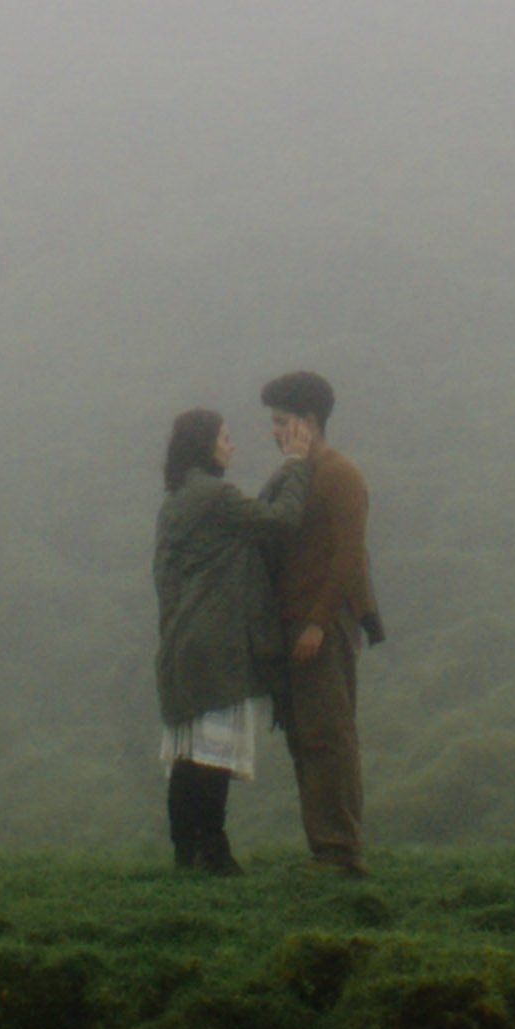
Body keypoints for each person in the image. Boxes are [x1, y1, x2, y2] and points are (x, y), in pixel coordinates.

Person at [151, 407, 309, 873]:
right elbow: (280, 519)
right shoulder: (214, 495)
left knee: (189, 752)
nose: (232, 444)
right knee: (212, 755)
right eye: (224, 437)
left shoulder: (177, 498)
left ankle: (186, 851)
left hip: (182, 637)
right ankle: (213, 850)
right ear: (206, 444)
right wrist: (297, 463)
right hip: (217, 639)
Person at [260, 369, 379, 875]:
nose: (274, 430)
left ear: (309, 421)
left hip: (321, 626)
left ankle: (341, 851)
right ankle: (323, 849)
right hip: (291, 623)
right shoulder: (294, 475)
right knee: (304, 739)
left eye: (282, 421)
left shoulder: (339, 474)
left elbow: (349, 557)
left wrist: (317, 621)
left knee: (330, 736)